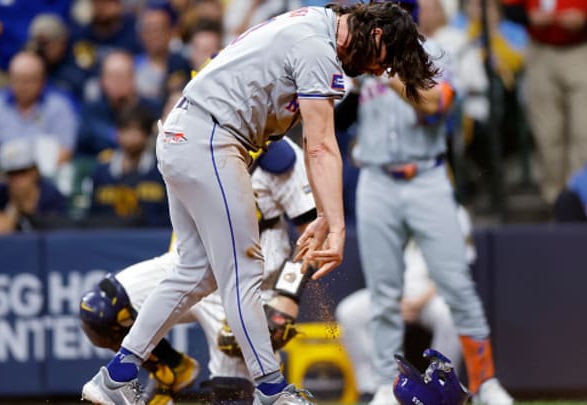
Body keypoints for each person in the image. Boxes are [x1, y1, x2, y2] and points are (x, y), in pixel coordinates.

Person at [81, 3, 437, 405]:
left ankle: (118, 374)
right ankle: (271, 389)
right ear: (376, 36)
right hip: (212, 138)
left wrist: (322, 214)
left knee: (197, 270)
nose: (378, 72)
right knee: (244, 273)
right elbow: (320, 145)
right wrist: (334, 225)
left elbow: (311, 145)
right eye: (385, 62)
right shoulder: (317, 45)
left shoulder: (314, 24)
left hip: (188, 134)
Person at [336, 1, 512, 404]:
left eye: (384, 22)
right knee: (383, 293)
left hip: (427, 177)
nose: (376, 29)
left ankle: (486, 384)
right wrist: (356, 74)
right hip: (376, 178)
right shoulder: (359, 57)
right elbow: (338, 117)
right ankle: (383, 383)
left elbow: (437, 106)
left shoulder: (433, 53)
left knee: (458, 287)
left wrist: (382, 69)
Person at [80, 137, 317, 404]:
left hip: (245, 283)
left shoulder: (280, 156)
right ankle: (171, 369)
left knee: (232, 397)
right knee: (99, 309)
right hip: (187, 268)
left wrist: (287, 295)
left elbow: (312, 234)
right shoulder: (190, 132)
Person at [336, 204, 475, 402]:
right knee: (350, 312)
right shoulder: (393, 204)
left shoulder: (455, 212)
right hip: (395, 292)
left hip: (434, 293)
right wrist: (391, 297)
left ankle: (440, 388)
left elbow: (459, 267)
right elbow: (380, 260)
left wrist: (421, 299)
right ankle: (372, 388)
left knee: (451, 316)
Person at [502, 0, 587, 204]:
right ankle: (556, 205)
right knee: (547, 136)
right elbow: (510, 7)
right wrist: (529, 18)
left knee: (585, 134)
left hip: (584, 48)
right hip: (541, 50)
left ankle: (584, 204)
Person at [0, 51, 78, 173]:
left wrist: (32, 177)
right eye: (18, 79)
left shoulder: (59, 106)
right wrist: (10, 175)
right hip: (2, 178)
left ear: (42, 80)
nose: (23, 86)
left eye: (29, 80)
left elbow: (65, 151)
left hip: (46, 179)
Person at [87, 104, 170, 228]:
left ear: (147, 135)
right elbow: (94, 216)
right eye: (125, 130)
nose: (130, 136)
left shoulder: (161, 170)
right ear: (117, 133)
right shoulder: (101, 172)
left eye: (136, 130)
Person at [77, 51, 161, 157]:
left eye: (121, 76)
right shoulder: (92, 110)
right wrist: (118, 137)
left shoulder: (152, 108)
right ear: (102, 81)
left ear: (133, 78)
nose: (116, 82)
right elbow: (82, 143)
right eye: (111, 76)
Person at [0, 138, 67, 234]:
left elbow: (56, 237)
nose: (17, 179)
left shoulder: (52, 195)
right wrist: (14, 207)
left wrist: (30, 213)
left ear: (35, 171)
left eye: (22, 172)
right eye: (11, 173)